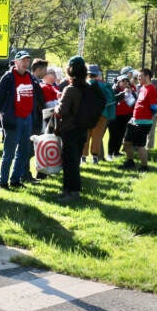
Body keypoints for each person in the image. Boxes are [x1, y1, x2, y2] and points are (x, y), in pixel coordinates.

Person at [0, 50, 44, 189]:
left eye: (27, 61)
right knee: (9, 153)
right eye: (22, 61)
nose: (25, 63)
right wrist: (6, 115)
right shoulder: (8, 77)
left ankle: (15, 180)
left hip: (27, 119)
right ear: (16, 62)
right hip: (14, 119)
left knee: (24, 151)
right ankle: (3, 182)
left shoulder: (30, 77)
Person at [54, 56, 93, 203]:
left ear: (70, 70)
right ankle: (67, 190)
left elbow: (61, 111)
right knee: (75, 160)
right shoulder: (88, 88)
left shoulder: (70, 89)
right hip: (83, 129)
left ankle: (73, 192)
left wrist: (58, 105)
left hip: (69, 129)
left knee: (69, 162)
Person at [121, 67, 157, 172]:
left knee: (140, 145)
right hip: (134, 120)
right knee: (126, 142)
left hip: (144, 122)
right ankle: (130, 162)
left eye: (140, 76)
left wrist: (149, 114)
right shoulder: (142, 88)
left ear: (147, 76)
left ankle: (144, 166)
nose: (138, 78)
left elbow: (154, 107)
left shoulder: (151, 89)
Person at [81, 64, 114, 163]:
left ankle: (83, 157)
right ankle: (95, 158)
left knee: (85, 135)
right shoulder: (105, 85)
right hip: (101, 114)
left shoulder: (83, 84)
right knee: (97, 136)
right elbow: (111, 100)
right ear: (97, 74)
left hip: (86, 114)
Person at [108, 75, 135, 158]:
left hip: (126, 116)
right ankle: (110, 153)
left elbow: (134, 101)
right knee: (113, 135)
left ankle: (116, 152)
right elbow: (112, 100)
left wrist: (131, 92)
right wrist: (122, 95)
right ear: (118, 82)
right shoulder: (114, 90)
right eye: (123, 81)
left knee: (121, 134)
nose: (125, 83)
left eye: (127, 81)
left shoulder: (130, 90)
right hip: (114, 116)